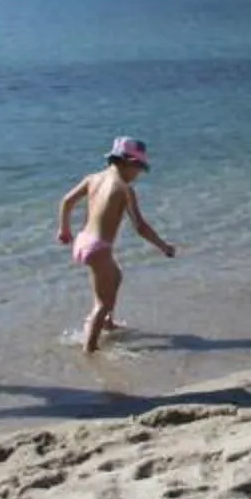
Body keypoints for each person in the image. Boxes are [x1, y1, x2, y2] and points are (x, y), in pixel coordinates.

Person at [57, 136, 176, 350]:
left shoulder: (93, 178)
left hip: (83, 241)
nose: (138, 175)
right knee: (102, 303)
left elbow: (67, 201)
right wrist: (163, 246)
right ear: (128, 162)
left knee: (116, 275)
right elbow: (140, 227)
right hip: (98, 248)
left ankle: (108, 323)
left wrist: (64, 229)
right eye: (139, 169)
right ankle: (90, 349)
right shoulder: (124, 188)